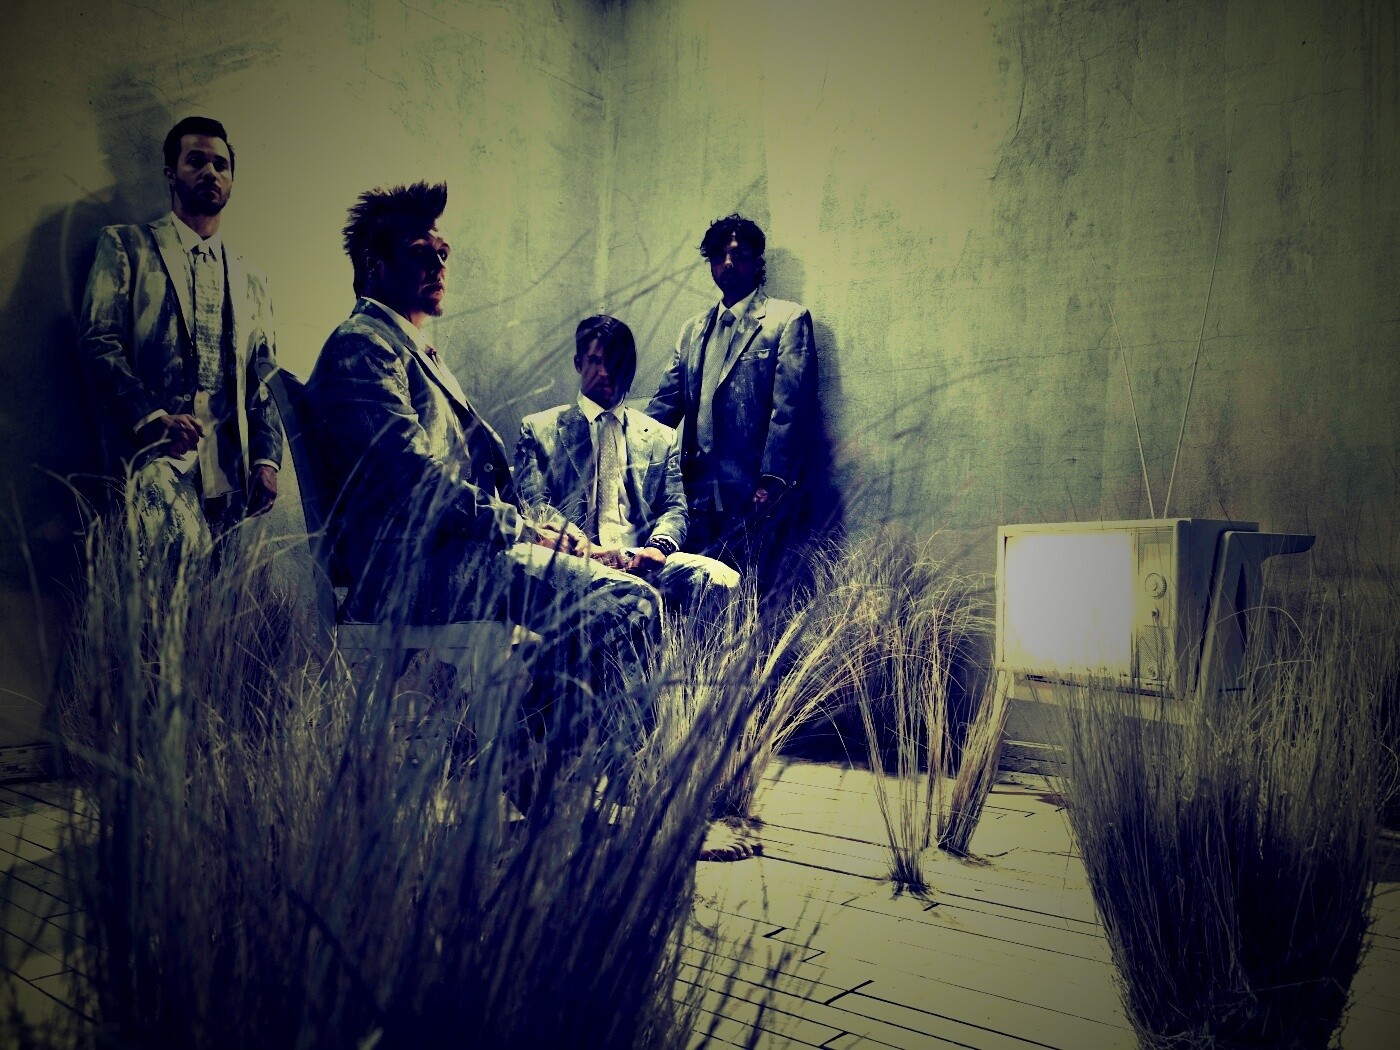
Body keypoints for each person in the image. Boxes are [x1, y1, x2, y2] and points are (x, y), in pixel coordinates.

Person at [304, 182, 660, 711]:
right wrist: (525, 531)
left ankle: (535, 746)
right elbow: (419, 485)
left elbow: (473, 482)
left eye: (443, 254)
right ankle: (577, 754)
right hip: (411, 574)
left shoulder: (411, 349)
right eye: (420, 254)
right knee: (628, 601)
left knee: (615, 585)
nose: (439, 266)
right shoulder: (363, 345)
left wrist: (558, 538)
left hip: (453, 557)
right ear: (375, 266)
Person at [78, 116, 281, 545]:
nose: (210, 172)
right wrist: (151, 419)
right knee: (161, 578)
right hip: (151, 458)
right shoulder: (127, 246)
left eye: (221, 165)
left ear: (231, 180)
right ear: (171, 173)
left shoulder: (253, 279)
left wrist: (267, 460)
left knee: (224, 586)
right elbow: (99, 342)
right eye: (196, 161)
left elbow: (264, 379)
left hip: (228, 472)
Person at [515, 315, 739, 613]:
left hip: (639, 558)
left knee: (721, 578)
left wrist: (657, 547)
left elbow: (674, 507)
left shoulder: (661, 437)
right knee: (630, 600)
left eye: (616, 361)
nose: (606, 371)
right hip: (576, 559)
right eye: (595, 361)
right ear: (578, 363)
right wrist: (584, 545)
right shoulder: (539, 429)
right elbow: (535, 505)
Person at [645, 214, 817, 592]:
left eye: (738, 255)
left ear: (757, 261)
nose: (727, 263)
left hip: (753, 494)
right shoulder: (693, 330)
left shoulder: (786, 319)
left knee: (752, 595)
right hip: (695, 494)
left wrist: (772, 482)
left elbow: (790, 410)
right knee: (697, 598)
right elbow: (665, 405)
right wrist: (631, 459)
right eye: (718, 255)